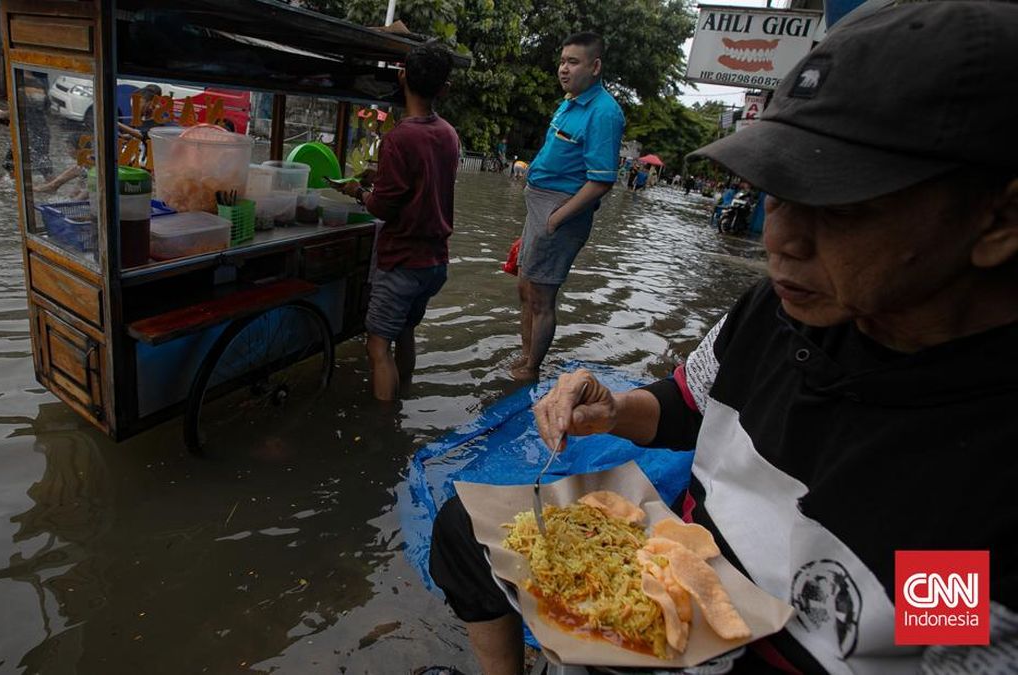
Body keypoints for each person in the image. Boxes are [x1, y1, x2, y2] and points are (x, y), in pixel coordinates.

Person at [428, 3, 1018, 673]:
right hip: (679, 560)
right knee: (462, 527)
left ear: (998, 219)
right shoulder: (778, 314)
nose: (780, 240)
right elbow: (686, 407)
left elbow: (919, 637)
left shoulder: (987, 479)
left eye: (839, 205)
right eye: (776, 194)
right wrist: (615, 408)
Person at [333, 43, 459, 401]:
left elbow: (383, 208)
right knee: (405, 330)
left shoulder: (400, 137)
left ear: (402, 76)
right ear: (444, 88)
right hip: (435, 262)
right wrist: (382, 176)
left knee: (377, 346)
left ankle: (383, 431)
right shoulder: (448, 134)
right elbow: (424, 182)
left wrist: (358, 191)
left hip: (402, 261)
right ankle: (403, 400)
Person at [511, 32, 625, 380]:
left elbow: (601, 180)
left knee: (541, 298)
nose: (564, 69)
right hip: (541, 210)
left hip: (558, 213)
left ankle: (530, 369)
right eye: (562, 61)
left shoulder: (604, 112)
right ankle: (525, 356)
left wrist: (556, 218)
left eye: (573, 62)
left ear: (595, 66)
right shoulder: (570, 102)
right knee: (525, 289)